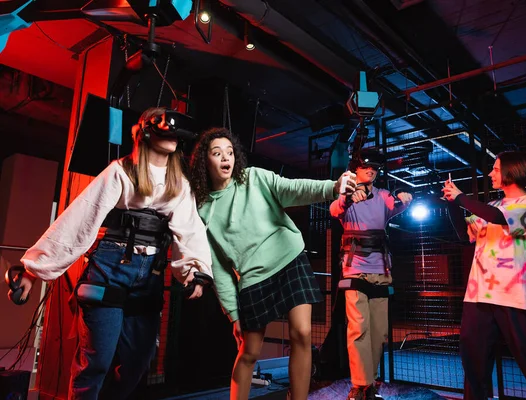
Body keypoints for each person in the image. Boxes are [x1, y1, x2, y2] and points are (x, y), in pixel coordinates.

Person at [12, 107, 213, 400]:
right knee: (97, 363)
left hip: (149, 276)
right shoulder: (120, 171)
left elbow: (190, 229)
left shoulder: (179, 183)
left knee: (136, 365)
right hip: (110, 268)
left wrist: (194, 270)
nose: (173, 139)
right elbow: (80, 218)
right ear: (145, 133)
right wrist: (34, 270)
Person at [188, 127, 356, 400]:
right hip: (253, 279)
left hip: (290, 260)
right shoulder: (203, 210)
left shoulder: (254, 178)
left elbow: (292, 188)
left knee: (302, 333)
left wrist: (332, 187)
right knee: (250, 351)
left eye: (229, 152)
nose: (225, 158)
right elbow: (218, 268)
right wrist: (233, 313)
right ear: (204, 162)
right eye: (217, 153)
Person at [441, 151, 526, 400]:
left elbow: (499, 219)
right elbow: (464, 235)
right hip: (478, 296)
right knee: (474, 364)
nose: (491, 173)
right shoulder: (490, 206)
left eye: (496, 169)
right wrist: (452, 205)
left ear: (512, 171)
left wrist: (462, 198)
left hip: (515, 296)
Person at [329, 149, 412, 400]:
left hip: (381, 269)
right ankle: (359, 384)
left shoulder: (383, 196)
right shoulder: (346, 194)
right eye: (366, 166)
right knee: (358, 327)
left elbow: (395, 206)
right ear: (356, 168)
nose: (371, 170)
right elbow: (334, 209)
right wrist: (349, 197)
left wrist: (406, 200)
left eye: (374, 167)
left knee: (379, 331)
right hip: (354, 268)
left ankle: (370, 382)